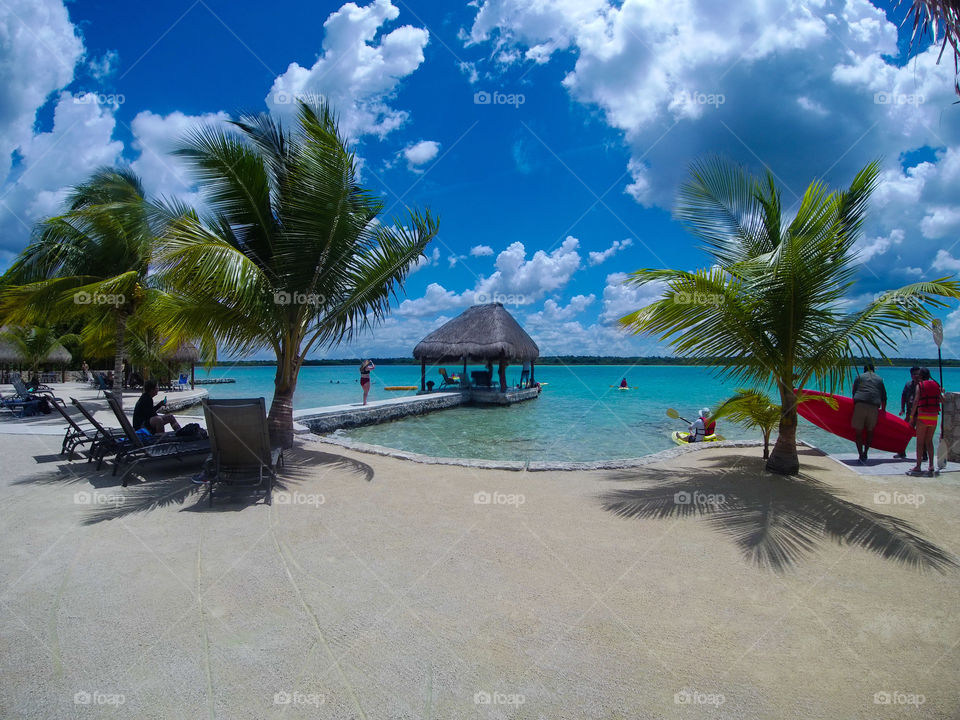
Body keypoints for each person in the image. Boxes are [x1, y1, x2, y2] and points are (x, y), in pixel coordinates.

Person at [908, 367, 942, 476]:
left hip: (923, 416)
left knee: (920, 442)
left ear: (921, 376)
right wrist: (943, 392)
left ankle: (918, 466)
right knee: (929, 441)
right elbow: (943, 400)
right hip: (934, 417)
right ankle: (931, 465)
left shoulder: (920, 385)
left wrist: (911, 415)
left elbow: (916, 401)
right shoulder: (936, 385)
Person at [851, 363, 887, 463]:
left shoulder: (859, 377)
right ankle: (866, 453)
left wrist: (854, 406)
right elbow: (884, 396)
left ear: (864, 369)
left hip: (860, 404)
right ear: (873, 370)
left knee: (858, 432)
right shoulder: (879, 379)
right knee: (870, 431)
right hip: (874, 406)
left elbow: (854, 393)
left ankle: (860, 455)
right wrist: (883, 412)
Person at [897, 366, 923, 460]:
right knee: (904, 432)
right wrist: (902, 409)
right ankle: (901, 451)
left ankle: (924, 454)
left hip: (920, 414)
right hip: (909, 413)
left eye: (918, 374)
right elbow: (903, 396)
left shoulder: (923, 385)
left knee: (921, 434)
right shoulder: (908, 384)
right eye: (914, 374)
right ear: (911, 375)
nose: (916, 376)